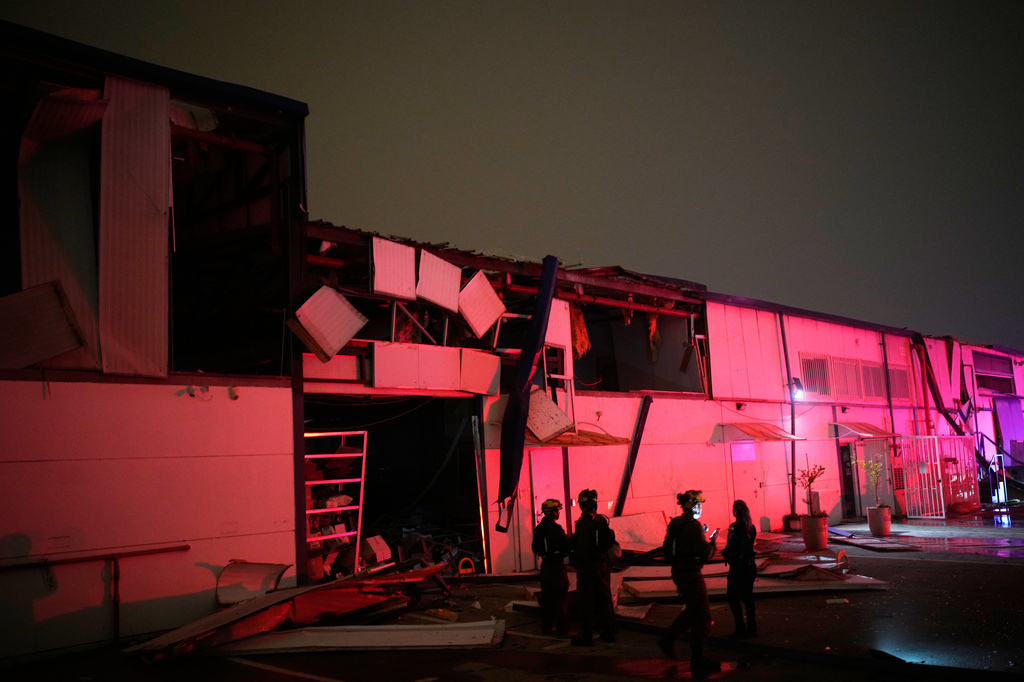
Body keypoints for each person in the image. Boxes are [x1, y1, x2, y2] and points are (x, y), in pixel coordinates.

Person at [658, 490, 721, 677]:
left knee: (692, 610)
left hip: (678, 572)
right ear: (693, 506)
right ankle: (698, 658)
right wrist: (713, 543)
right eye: (699, 504)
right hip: (691, 575)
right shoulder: (693, 526)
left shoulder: (677, 523)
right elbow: (705, 554)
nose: (700, 508)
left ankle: (669, 639)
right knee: (703, 616)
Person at [569, 488, 616, 646]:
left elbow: (581, 547)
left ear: (582, 505)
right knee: (604, 598)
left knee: (586, 601)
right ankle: (609, 632)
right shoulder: (601, 520)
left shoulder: (584, 522)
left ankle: (586, 636)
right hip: (603, 565)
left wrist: (578, 563)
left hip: (588, 566)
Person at [531, 498, 570, 637]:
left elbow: (535, 547)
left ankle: (546, 627)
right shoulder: (556, 529)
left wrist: (544, 554)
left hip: (545, 567)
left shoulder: (539, 529)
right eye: (557, 510)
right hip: (557, 567)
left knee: (547, 599)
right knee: (561, 599)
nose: (558, 512)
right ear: (553, 512)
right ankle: (562, 630)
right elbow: (567, 545)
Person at [721, 498, 758, 638]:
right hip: (750, 566)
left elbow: (731, 547)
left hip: (738, 568)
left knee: (732, 598)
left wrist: (724, 553)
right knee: (748, 598)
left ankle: (740, 628)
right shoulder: (751, 527)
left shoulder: (734, 527)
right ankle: (752, 628)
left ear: (736, 511)